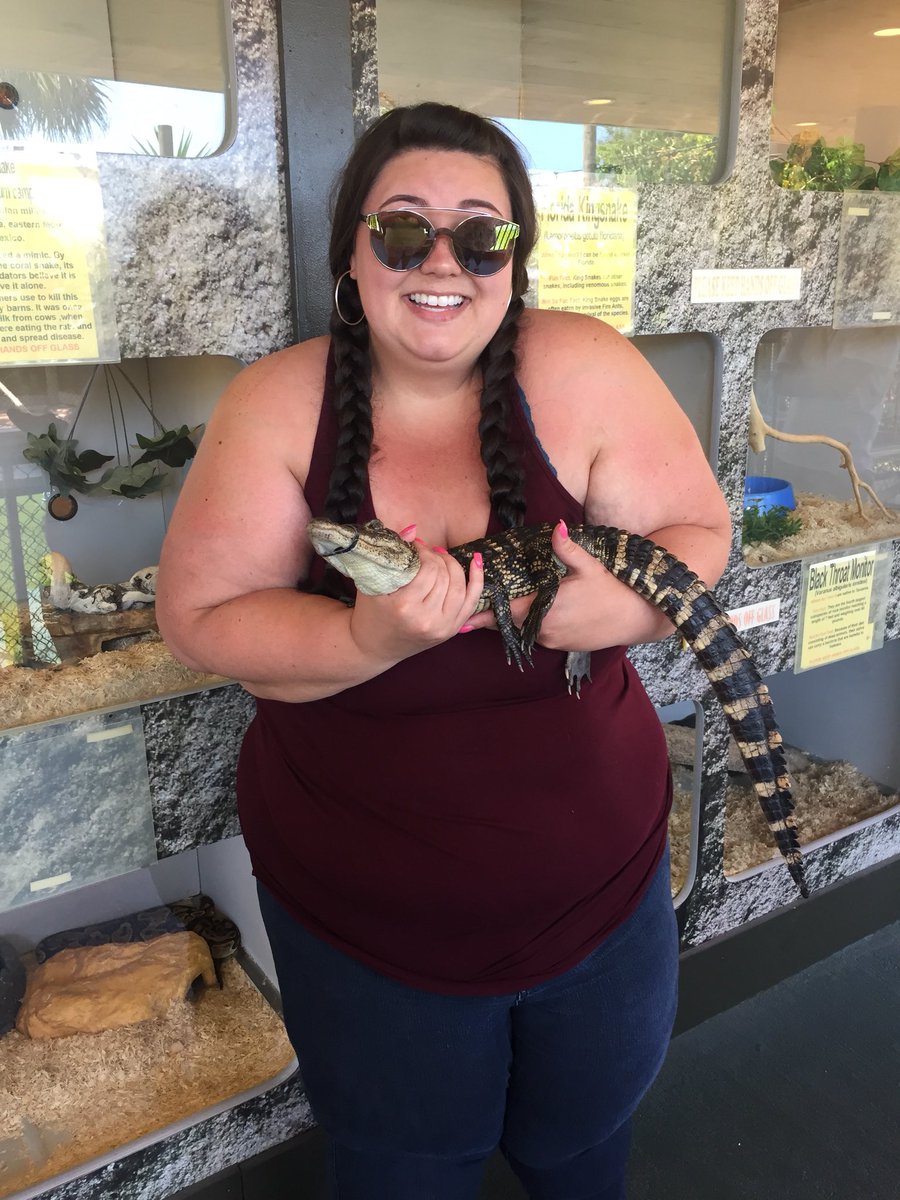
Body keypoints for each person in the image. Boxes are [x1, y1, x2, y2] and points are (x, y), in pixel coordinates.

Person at [156, 102, 731, 1200]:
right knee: (401, 1172)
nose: (442, 261)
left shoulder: (585, 365)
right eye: (403, 228)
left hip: (601, 892)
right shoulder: (277, 400)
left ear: (516, 257)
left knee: (583, 1154)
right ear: (353, 251)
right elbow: (201, 619)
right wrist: (364, 636)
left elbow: (699, 533)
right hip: (363, 920)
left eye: (482, 234)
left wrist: (606, 613)